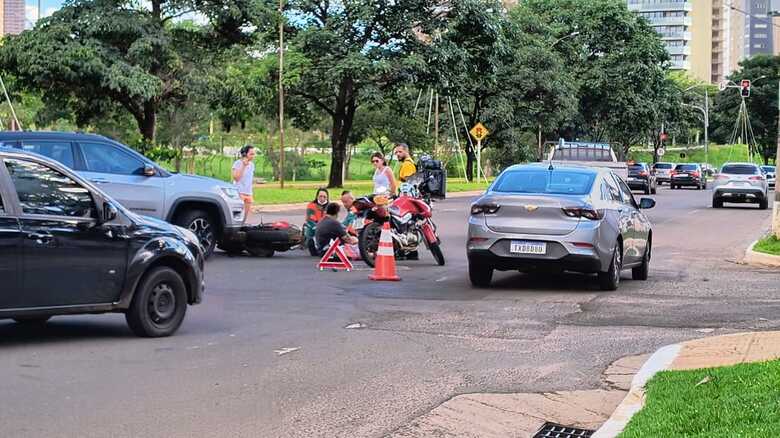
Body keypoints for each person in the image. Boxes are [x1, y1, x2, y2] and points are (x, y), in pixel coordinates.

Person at [232, 145, 256, 224]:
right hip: (239, 192)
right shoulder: (237, 163)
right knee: (238, 215)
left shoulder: (252, 165)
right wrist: (243, 165)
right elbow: (236, 178)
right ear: (245, 154)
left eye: (254, 154)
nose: (253, 156)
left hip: (248, 192)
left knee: (245, 216)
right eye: (251, 154)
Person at [303, 188, 329, 253]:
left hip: (326, 227)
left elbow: (332, 220)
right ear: (317, 196)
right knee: (309, 228)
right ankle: (310, 243)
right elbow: (309, 219)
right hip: (314, 227)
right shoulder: (311, 205)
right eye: (320, 196)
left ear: (327, 197)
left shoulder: (330, 206)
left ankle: (324, 247)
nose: (322, 198)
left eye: (324, 197)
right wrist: (318, 228)